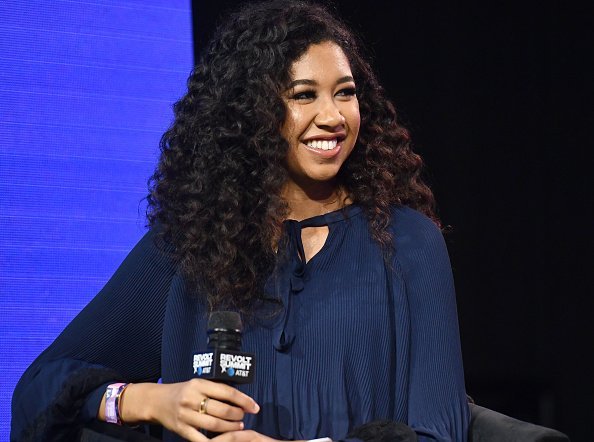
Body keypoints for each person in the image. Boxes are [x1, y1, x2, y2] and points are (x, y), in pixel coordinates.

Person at [11, 1, 469, 441]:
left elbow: (440, 432)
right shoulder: (193, 245)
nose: (332, 117)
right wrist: (148, 401)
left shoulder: (407, 242)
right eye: (303, 95)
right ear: (250, 112)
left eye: (345, 93)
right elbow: (40, 388)